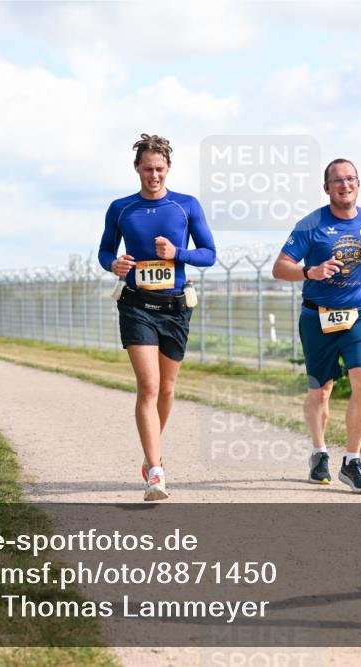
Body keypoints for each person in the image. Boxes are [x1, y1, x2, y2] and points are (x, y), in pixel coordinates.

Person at [272, 158, 361, 493]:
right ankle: (319, 453)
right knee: (321, 390)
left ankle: (352, 460)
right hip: (317, 316)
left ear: (358, 184)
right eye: (337, 181)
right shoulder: (311, 225)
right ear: (326, 187)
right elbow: (280, 267)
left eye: (351, 179)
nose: (345, 185)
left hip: (359, 314)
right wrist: (310, 272)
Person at [98, 133, 216, 502]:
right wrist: (113, 265)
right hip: (136, 305)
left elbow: (210, 254)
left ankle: (152, 456)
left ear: (169, 169)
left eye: (160, 169)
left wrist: (177, 253)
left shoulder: (186, 206)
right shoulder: (121, 208)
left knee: (167, 389)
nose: (154, 176)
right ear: (137, 168)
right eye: (147, 169)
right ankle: (156, 472)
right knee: (148, 387)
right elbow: (104, 252)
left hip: (176, 307)